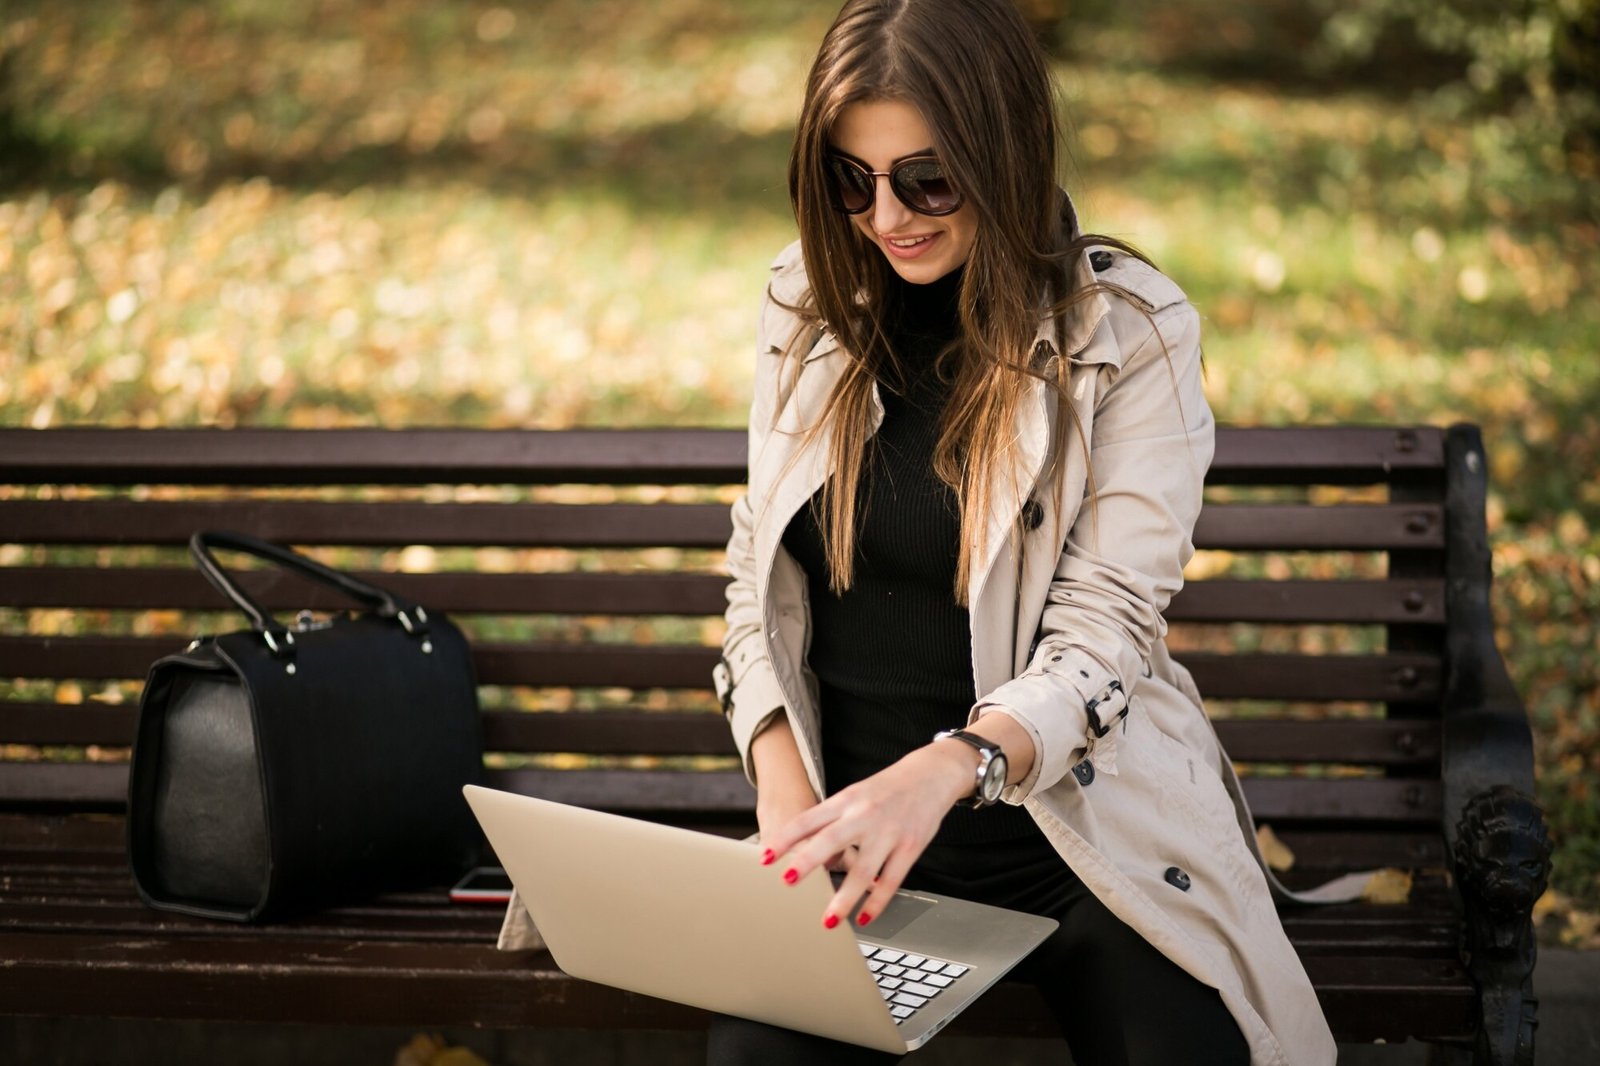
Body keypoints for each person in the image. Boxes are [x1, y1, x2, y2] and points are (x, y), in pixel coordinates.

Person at [710, 1, 1338, 1064]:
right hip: (861, 854)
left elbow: (1106, 632)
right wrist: (785, 798)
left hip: (1082, 848)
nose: (887, 216)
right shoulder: (803, 299)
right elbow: (753, 577)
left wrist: (948, 768)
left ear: (1004, 150)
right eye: (848, 180)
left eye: (928, 179)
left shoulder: (1127, 332)